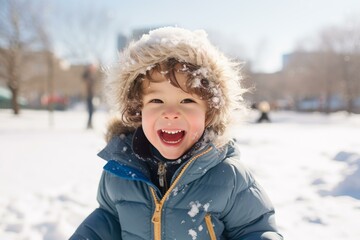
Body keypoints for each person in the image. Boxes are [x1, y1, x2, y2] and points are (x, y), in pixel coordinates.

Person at [70, 27, 283, 240]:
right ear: (138, 110)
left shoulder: (228, 176)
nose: (171, 113)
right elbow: (108, 219)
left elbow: (255, 229)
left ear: (209, 112)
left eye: (187, 100)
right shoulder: (120, 170)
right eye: (156, 100)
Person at [82, 63, 98, 129]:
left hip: (91, 95)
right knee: (90, 110)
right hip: (89, 95)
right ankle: (89, 124)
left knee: (91, 110)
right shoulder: (87, 75)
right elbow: (85, 79)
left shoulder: (91, 75)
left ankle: (89, 123)